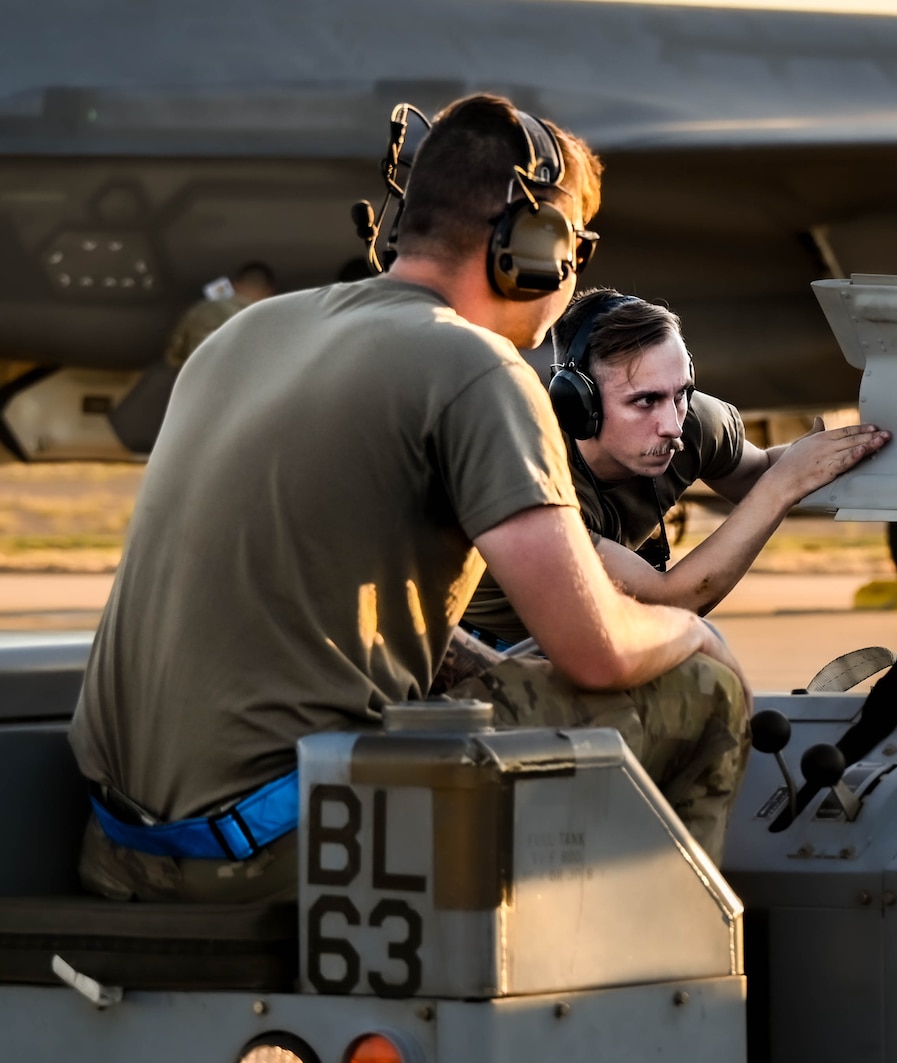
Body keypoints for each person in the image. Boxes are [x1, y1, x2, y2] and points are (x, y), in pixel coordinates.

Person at [70, 93, 750, 903]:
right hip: (286, 850)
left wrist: (483, 659)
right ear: (536, 249)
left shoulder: (244, 336)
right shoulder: (478, 370)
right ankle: (652, 993)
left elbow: (312, 610)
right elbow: (596, 652)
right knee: (704, 692)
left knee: (510, 667)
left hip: (120, 850)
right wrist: (691, 627)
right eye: (576, 247)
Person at [458, 290, 889, 645]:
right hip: (485, 649)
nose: (671, 426)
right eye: (644, 401)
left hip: (587, 632)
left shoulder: (690, 419)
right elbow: (670, 601)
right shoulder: (527, 473)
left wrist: (829, 453)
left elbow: (756, 477)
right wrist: (783, 484)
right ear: (579, 404)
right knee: (697, 648)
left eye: (681, 392)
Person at [109, 262, 279, 454]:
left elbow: (173, 355)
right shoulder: (271, 320)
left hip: (195, 397)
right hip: (243, 406)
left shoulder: (200, 310)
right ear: (268, 291)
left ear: (236, 285)